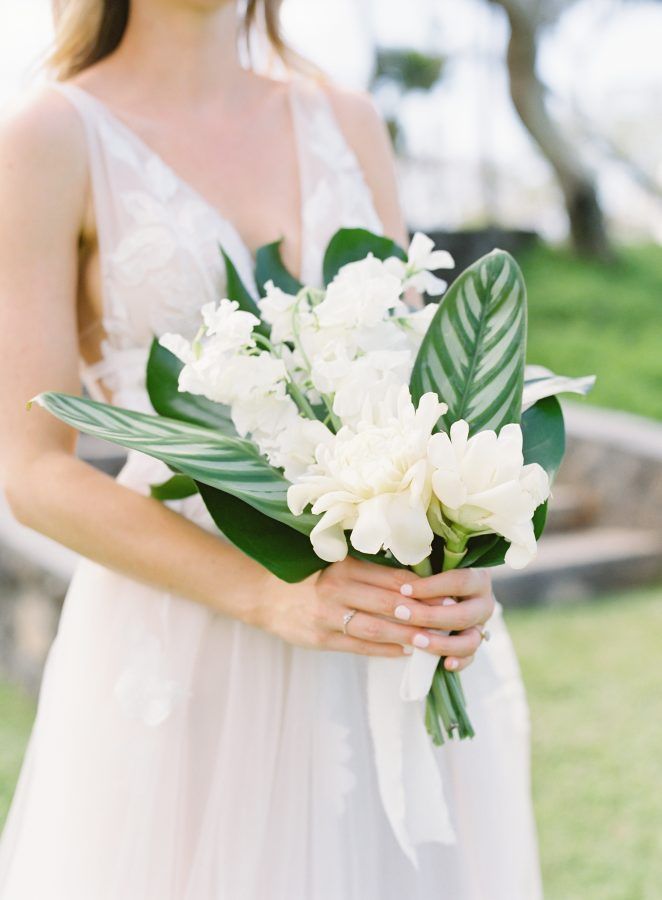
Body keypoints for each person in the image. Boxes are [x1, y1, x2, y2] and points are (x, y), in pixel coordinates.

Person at [0, 1, 542, 897]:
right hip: (188, 629)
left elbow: (421, 390)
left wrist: (462, 547)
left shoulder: (347, 120)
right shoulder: (48, 138)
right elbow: (31, 470)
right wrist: (271, 597)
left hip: (385, 625)